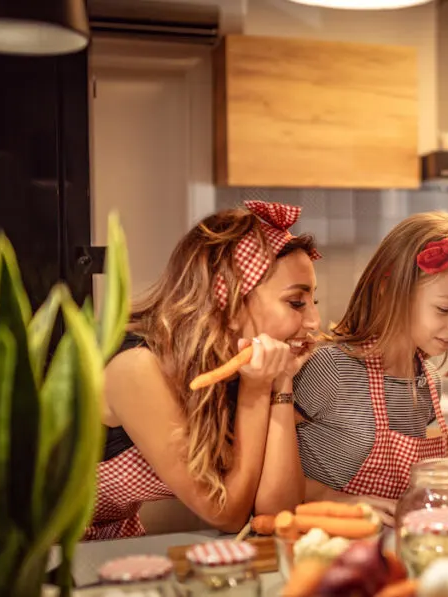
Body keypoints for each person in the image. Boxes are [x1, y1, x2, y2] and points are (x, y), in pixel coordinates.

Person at [86, 201, 322, 540]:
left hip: (106, 538)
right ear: (226, 301)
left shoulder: (232, 366)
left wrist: (281, 382)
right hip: (33, 544)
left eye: (314, 302)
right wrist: (256, 391)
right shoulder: (136, 367)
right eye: (296, 303)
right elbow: (225, 514)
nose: (313, 321)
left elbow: (274, 515)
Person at [293, 211, 448, 526]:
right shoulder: (331, 369)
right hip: (318, 542)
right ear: (389, 289)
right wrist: (337, 500)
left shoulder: (427, 383)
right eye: (445, 309)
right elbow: (261, 465)